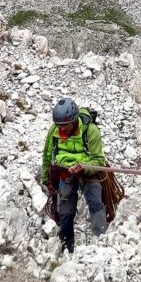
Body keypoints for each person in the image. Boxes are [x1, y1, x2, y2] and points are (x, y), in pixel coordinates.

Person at [41, 97, 107, 254]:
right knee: (65, 210)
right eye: (59, 126)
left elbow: (99, 161)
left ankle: (101, 242)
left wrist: (83, 168)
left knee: (95, 200)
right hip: (65, 171)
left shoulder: (90, 131)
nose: (62, 130)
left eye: (65, 126)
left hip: (87, 169)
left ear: (74, 119)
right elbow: (48, 154)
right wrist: (46, 179)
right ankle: (66, 247)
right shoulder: (54, 131)